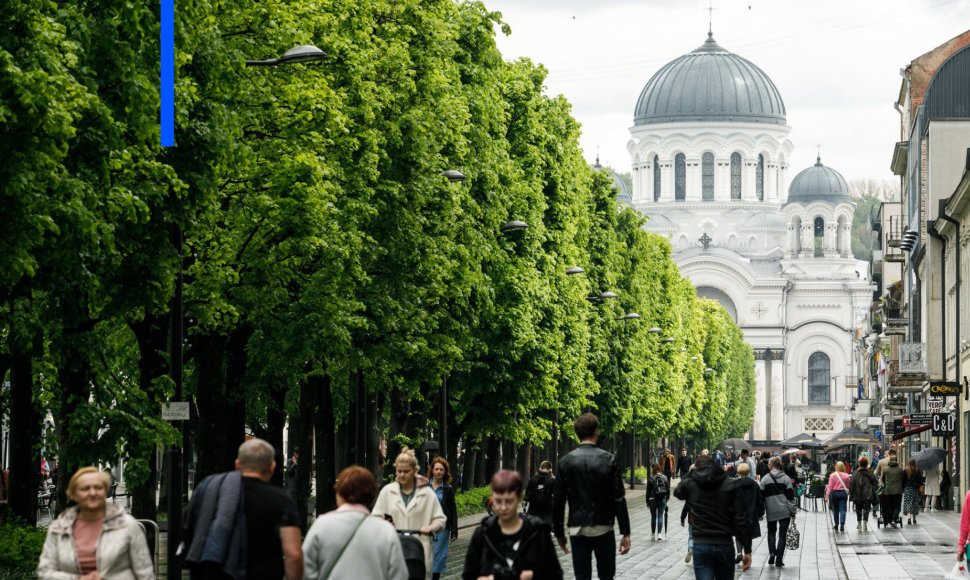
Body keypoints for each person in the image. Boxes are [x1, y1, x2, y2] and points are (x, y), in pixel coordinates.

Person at [184, 438, 303, 580]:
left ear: (237, 465)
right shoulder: (281, 500)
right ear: (271, 467)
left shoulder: (210, 490)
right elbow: (294, 555)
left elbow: (188, 530)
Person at [552, 413, 631, 580]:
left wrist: (559, 533)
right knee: (606, 575)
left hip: (578, 528)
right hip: (603, 525)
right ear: (596, 431)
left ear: (577, 433)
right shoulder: (609, 459)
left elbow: (558, 501)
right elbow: (618, 498)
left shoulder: (566, 462)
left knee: (582, 576)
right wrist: (625, 532)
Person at [38, 467, 153, 580]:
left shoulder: (127, 525)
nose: (92, 493)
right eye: (85, 489)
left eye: (98, 488)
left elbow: (144, 572)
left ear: (105, 491)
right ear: (73, 494)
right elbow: (45, 572)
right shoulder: (59, 528)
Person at [303, 466, 408, 580]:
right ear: (371, 496)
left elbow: (305, 569)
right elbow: (399, 574)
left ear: (340, 493)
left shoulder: (321, 525)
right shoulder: (385, 530)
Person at [463, 470, 562, 580]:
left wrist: (534, 575)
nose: (504, 507)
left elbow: (555, 573)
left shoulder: (537, 531)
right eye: (498, 501)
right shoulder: (483, 533)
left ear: (519, 498)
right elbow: (468, 574)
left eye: (509, 501)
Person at [373, 447, 446, 580]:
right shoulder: (387, 492)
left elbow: (440, 520)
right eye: (399, 471)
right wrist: (383, 522)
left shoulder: (427, 494)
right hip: (393, 549)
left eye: (406, 471)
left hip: (419, 552)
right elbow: (375, 518)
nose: (402, 475)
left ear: (414, 471)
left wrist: (431, 528)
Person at [675, 454, 751, 578]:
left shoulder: (692, 485)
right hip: (725, 544)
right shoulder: (730, 483)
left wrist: (690, 473)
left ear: (696, 467)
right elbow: (741, 518)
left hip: (701, 543)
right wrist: (747, 550)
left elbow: (678, 491)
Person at [759, 456, 795, 568]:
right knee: (782, 535)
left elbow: (761, 497)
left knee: (771, 532)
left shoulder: (765, 479)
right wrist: (793, 512)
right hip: (784, 509)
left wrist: (761, 512)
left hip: (771, 509)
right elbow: (790, 497)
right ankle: (779, 559)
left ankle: (772, 552)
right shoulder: (786, 478)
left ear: (771, 465)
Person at [429, 457, 458, 580]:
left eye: (441, 470)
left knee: (439, 556)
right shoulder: (424, 487)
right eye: (436, 469)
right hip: (426, 526)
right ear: (432, 471)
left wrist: (454, 530)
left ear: (445, 472)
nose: (439, 472)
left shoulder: (448, 489)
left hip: (442, 528)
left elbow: (453, 510)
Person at [733, 463, 763, 565]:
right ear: (748, 471)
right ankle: (747, 554)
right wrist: (760, 514)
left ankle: (739, 553)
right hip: (751, 514)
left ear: (739, 472)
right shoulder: (754, 485)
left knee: (738, 534)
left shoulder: (735, 484)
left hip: (737, 514)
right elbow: (760, 500)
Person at [848, 457, 878, 531]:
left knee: (858, 509)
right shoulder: (869, 473)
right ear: (867, 464)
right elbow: (875, 483)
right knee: (866, 509)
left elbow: (851, 483)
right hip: (867, 494)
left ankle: (859, 524)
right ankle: (865, 524)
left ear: (859, 464)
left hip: (857, 494)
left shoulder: (855, 473)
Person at [525, 460, 556, 526]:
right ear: (550, 469)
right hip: (547, 514)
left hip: (533, 512)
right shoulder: (552, 481)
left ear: (540, 468)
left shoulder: (532, 479)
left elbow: (526, 496)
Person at [879, 452, 905, 528]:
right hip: (898, 491)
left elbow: (883, 479)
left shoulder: (885, 469)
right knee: (897, 506)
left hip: (888, 491)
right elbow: (903, 480)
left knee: (889, 506)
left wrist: (887, 485)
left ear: (889, 461)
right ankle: (894, 519)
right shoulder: (900, 470)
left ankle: (889, 520)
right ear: (897, 461)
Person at [646, 462, 670, 541]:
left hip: (652, 499)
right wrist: (666, 499)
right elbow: (668, 489)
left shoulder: (650, 478)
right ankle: (659, 534)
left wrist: (647, 501)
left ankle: (653, 533)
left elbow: (648, 491)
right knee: (660, 516)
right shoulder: (665, 477)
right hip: (662, 499)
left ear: (653, 469)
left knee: (653, 516)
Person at [824, 461, 850, 532]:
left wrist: (827, 496)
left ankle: (836, 524)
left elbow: (830, 486)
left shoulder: (832, 475)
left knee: (835, 509)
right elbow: (848, 486)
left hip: (834, 493)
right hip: (843, 493)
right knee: (842, 509)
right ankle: (842, 524)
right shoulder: (846, 476)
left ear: (836, 467)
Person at [902, 458, 924, 525]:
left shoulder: (905, 470)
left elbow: (903, 480)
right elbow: (920, 481)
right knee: (914, 503)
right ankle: (914, 519)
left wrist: (903, 489)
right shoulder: (917, 471)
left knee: (908, 503)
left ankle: (909, 517)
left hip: (907, 489)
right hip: (915, 489)